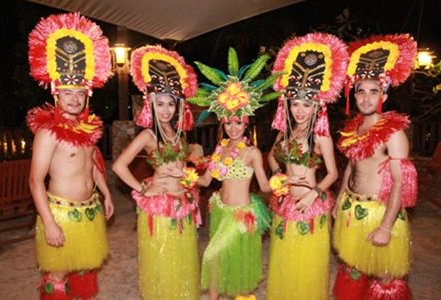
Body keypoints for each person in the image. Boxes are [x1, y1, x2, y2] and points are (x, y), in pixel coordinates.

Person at [27, 13, 113, 299]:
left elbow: (93, 166)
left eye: (79, 92)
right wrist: (49, 222)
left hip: (89, 209)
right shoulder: (48, 132)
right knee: (58, 273)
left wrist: (107, 194)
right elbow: (35, 181)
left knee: (83, 266)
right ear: (56, 94)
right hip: (61, 213)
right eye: (68, 93)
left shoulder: (88, 127)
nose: (74, 98)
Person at [185, 47, 280, 300]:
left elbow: (264, 185)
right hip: (220, 210)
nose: (233, 127)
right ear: (222, 122)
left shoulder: (251, 152)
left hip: (241, 215)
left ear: (246, 123)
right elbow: (207, 180)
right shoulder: (220, 148)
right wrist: (190, 176)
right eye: (228, 121)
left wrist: (282, 182)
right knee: (223, 261)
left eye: (238, 121)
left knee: (214, 254)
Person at [332, 34, 418, 300]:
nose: (366, 98)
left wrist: (386, 226)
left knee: (385, 276)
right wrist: (339, 199)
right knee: (353, 267)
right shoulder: (353, 129)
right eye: (361, 91)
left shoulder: (393, 133)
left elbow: (400, 184)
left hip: (380, 214)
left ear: (384, 93)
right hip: (352, 209)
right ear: (353, 94)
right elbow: (351, 167)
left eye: (373, 91)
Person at [111, 45, 200, 300]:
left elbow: (181, 167)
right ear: (150, 104)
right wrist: (142, 188)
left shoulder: (179, 135)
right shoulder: (148, 135)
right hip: (160, 207)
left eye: (170, 104)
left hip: (182, 204)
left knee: (180, 261)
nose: (165, 110)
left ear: (178, 105)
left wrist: (189, 177)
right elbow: (119, 166)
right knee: (162, 261)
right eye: (159, 104)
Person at [265, 33, 348, 300]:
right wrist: (278, 175)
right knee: (287, 260)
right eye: (295, 104)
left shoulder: (321, 135)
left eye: (306, 105)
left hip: (310, 204)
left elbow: (333, 173)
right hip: (287, 202)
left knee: (307, 264)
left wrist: (315, 192)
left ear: (317, 108)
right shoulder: (284, 134)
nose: (300, 110)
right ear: (288, 105)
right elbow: (271, 158)